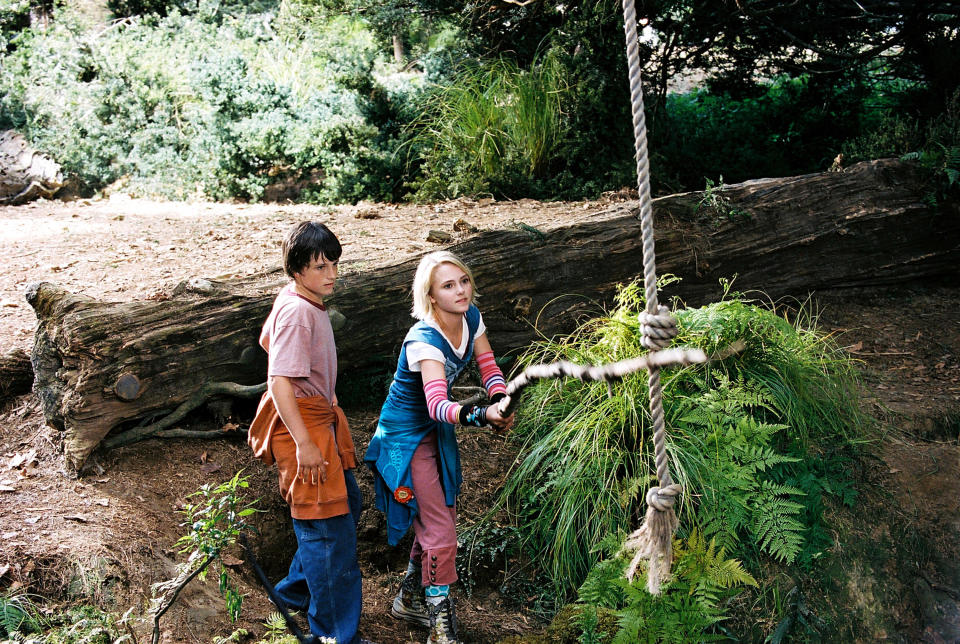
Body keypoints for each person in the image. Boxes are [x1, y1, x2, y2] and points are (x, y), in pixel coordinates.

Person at [364, 251, 515, 644]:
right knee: (442, 532)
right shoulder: (423, 339)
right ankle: (440, 629)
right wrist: (482, 416)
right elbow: (435, 403)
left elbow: (489, 365)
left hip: (436, 429)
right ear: (431, 295)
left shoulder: (472, 317)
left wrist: (501, 399)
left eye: (463, 280)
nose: (460, 290)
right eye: (448, 286)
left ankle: (410, 598)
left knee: (439, 517)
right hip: (405, 435)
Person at [248, 221, 369, 644]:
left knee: (346, 504)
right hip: (304, 424)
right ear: (297, 269)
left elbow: (270, 343)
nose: (332, 274)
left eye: (334, 263)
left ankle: (292, 594)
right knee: (328, 535)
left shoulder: (300, 298)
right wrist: (304, 443)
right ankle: (336, 634)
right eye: (320, 266)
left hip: (318, 418)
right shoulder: (299, 312)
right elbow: (279, 379)